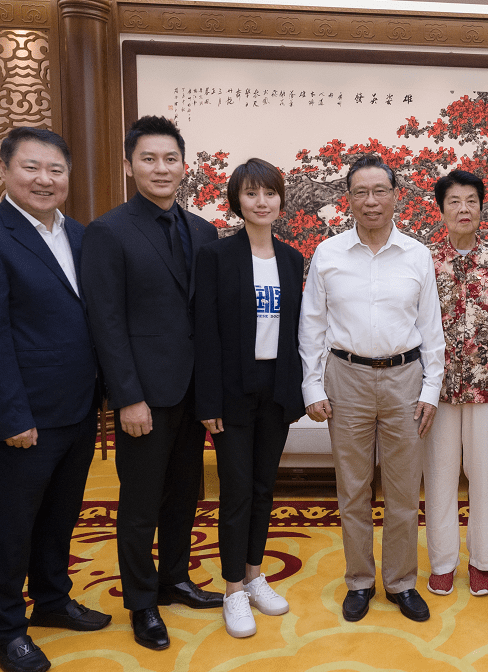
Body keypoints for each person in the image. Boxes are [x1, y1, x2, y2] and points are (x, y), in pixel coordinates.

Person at [0, 127, 111, 672]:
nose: (45, 180)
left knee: (60, 516)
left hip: (77, 408)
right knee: (12, 525)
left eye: (56, 170)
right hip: (24, 418)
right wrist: (12, 415)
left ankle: (51, 600)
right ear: (5, 170)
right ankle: (4, 629)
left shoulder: (83, 236)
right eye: (32, 167)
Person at [81, 116, 222, 651]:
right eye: (149, 159)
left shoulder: (204, 230)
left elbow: (206, 320)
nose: (161, 169)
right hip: (144, 395)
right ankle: (142, 602)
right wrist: (127, 397)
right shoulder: (108, 231)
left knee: (186, 493)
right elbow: (106, 322)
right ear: (129, 165)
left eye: (170, 159)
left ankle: (175, 579)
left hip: (192, 393)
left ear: (184, 165)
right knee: (140, 503)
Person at [299, 154, 445, 623]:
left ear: (396, 195)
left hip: (405, 378)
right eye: (360, 192)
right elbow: (312, 325)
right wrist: (312, 385)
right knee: (353, 488)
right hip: (346, 379)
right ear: (349, 200)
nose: (370, 201)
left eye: (379, 190)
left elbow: (432, 329)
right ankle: (359, 581)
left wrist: (430, 391)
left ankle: (401, 582)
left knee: (404, 491)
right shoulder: (329, 253)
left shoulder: (417, 254)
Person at [195, 158, 305, 638]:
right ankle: (232, 588)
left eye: (270, 193)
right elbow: (206, 335)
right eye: (251, 194)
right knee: (236, 492)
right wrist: (209, 403)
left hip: (275, 391)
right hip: (232, 394)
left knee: (263, 488)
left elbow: (298, 329)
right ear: (237, 201)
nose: (262, 202)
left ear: (281, 200)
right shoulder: (216, 256)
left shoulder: (292, 258)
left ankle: (256, 574)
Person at [423, 170, 488, 598]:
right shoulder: (424, 260)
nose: (463, 208)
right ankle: (443, 562)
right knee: (439, 475)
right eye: (454, 201)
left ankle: (482, 561)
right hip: (437, 389)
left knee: (486, 475)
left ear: (482, 207)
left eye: (471, 200)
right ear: (442, 208)